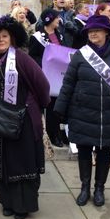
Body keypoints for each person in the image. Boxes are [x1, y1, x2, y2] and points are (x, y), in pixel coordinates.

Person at [0, 16, 50, 219]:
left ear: (12, 38)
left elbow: (42, 85)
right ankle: (8, 202)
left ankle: (23, 205)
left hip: (23, 120)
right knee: (4, 162)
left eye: (5, 36)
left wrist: (36, 106)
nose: (1, 40)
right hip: (0, 122)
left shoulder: (21, 57)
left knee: (22, 162)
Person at [54, 15, 110, 207]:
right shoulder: (81, 54)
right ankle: (84, 187)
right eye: (90, 31)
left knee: (105, 151)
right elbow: (68, 84)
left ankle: (99, 189)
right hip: (82, 111)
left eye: (97, 30)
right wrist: (60, 110)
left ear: (107, 32)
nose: (93, 34)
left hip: (108, 114)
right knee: (83, 150)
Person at [29, 8, 66, 147]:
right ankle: (51, 134)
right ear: (49, 20)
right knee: (50, 106)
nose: (59, 20)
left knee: (58, 105)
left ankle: (58, 132)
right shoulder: (37, 37)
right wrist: (47, 63)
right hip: (46, 76)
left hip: (59, 76)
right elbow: (32, 57)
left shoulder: (60, 35)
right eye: (57, 17)